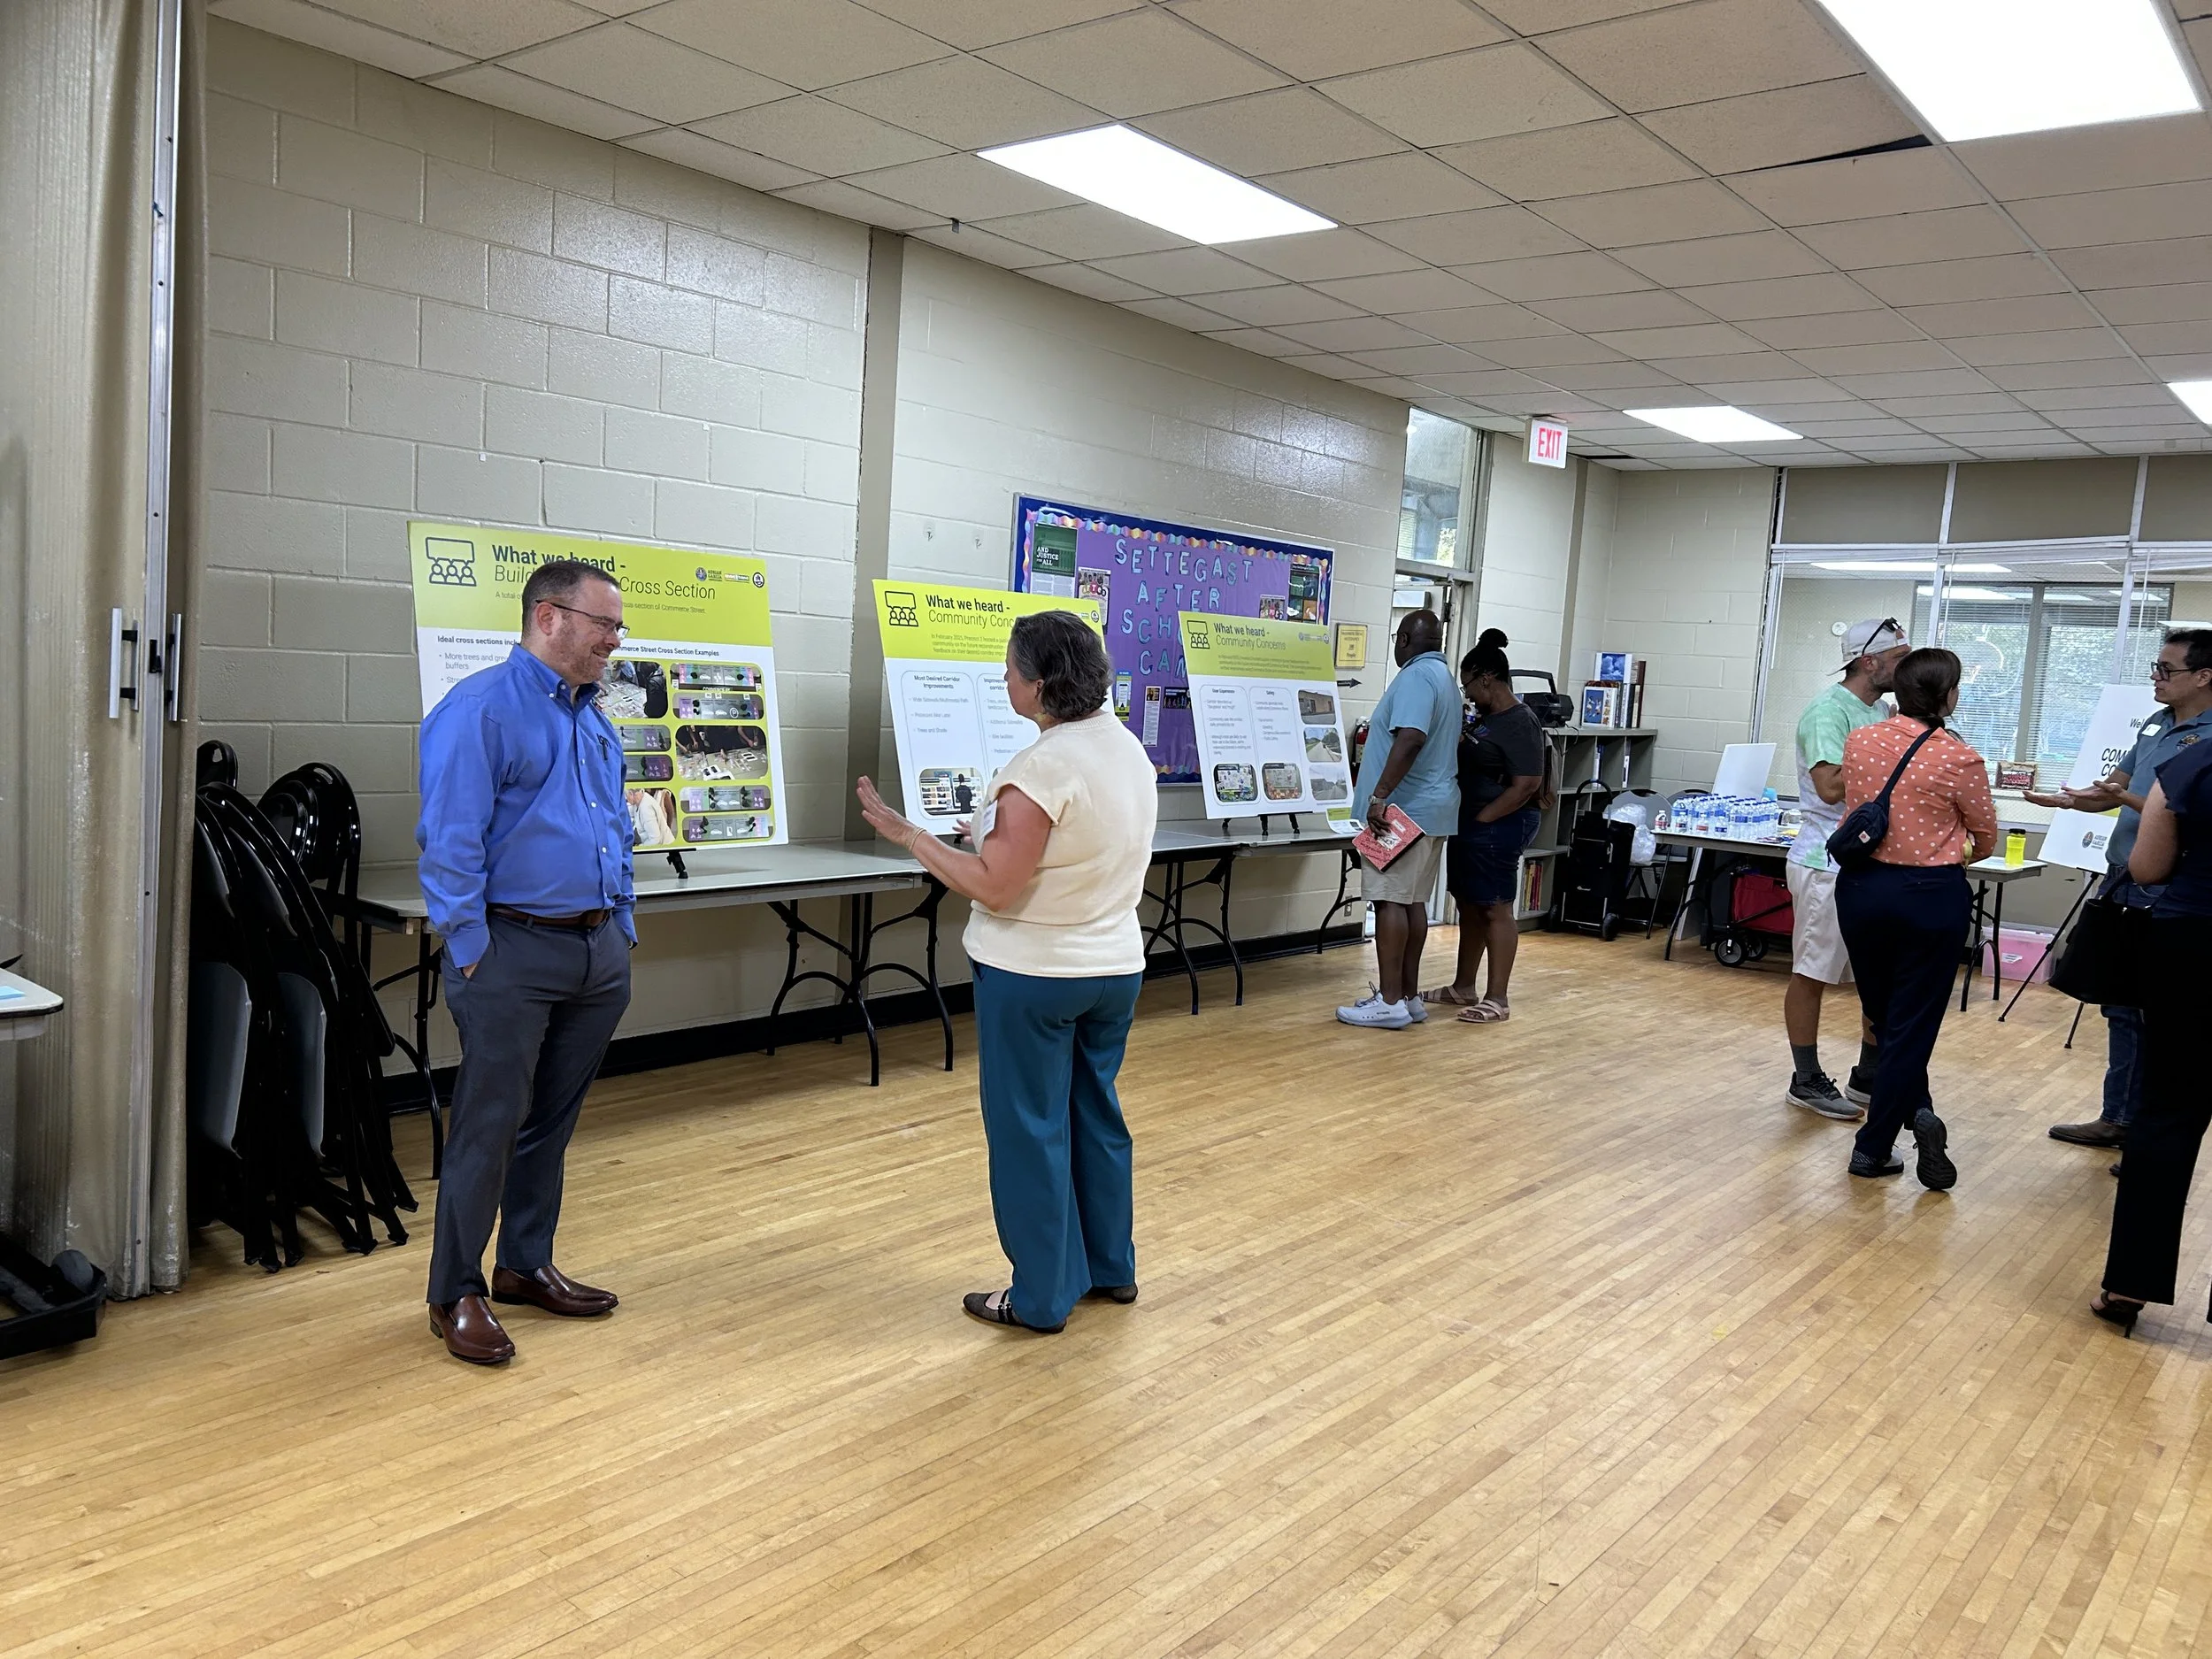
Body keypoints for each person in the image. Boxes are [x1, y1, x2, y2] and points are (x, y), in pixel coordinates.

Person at [854, 611, 1156, 1335]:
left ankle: (1041, 1296)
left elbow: (994, 885)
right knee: (1096, 1115)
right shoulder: (1126, 749)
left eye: (1011, 669)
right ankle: (1110, 1266)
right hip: (1114, 967)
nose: (1004, 679)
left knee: (1029, 1130)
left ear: (1040, 685)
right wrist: (991, 832)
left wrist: (911, 835)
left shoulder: (1042, 766)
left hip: (1037, 975)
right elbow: (1071, 842)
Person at [416, 559, 636, 1365]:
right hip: (510, 952)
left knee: (551, 1123)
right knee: (490, 1124)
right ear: (549, 617)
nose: (615, 641)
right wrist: (472, 950)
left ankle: (522, 1264)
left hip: (594, 952)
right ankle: (454, 1290)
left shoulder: (592, 717)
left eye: (617, 627)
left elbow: (613, 825)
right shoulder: (479, 710)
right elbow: (450, 843)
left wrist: (620, 923)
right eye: (604, 624)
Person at [2027, 628, 2212, 1155]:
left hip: (2172, 890)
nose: (2156, 678)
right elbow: (2116, 789)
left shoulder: (2209, 741)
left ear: (2204, 677)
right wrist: (2069, 801)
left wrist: (2126, 799)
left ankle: (2148, 1131)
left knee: (2161, 1013)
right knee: (2121, 1006)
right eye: (2155, 668)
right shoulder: (2156, 723)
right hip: (2125, 880)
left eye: (2167, 670)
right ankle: (2120, 1119)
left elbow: (2184, 813)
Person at [1834, 648, 1998, 1189]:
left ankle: (1920, 1111)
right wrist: (1950, 847)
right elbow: (1985, 839)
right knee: (1912, 1024)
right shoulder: (1961, 759)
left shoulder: (1860, 741)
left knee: (1885, 1018)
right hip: (1928, 898)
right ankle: (1872, 1147)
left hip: (1861, 890)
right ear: (1948, 696)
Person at [2090, 732, 2212, 1335]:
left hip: (2193, 945)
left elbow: (2146, 867)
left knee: (2166, 1115)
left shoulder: (2191, 763)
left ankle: (2129, 1285)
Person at [1782, 618, 1911, 1121]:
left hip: (1867, 864)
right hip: (1826, 864)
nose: (1906, 668)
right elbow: (1831, 788)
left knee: (1879, 975)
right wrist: (1895, 757)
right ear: (1868, 662)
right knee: (1812, 972)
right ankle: (1805, 1079)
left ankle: (1868, 1076)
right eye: (1898, 659)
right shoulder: (1828, 712)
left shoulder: (1878, 710)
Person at [1337, 610, 1461, 1029]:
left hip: (1401, 815)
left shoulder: (1416, 677)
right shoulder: (1444, 678)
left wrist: (1379, 796)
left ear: (1404, 639)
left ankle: (1389, 1002)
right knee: (1412, 903)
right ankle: (1408, 997)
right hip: (1432, 810)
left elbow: (1410, 738)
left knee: (1389, 900)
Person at [1420, 630, 1547, 1025]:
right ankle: (1463, 987)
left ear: (1486, 678)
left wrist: (1484, 819)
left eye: (1469, 685)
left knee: (1495, 907)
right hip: (1471, 825)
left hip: (1498, 825)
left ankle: (1497, 998)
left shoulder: (1520, 721)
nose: (1469, 694)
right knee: (1470, 905)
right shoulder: (1488, 720)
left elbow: (1527, 784)